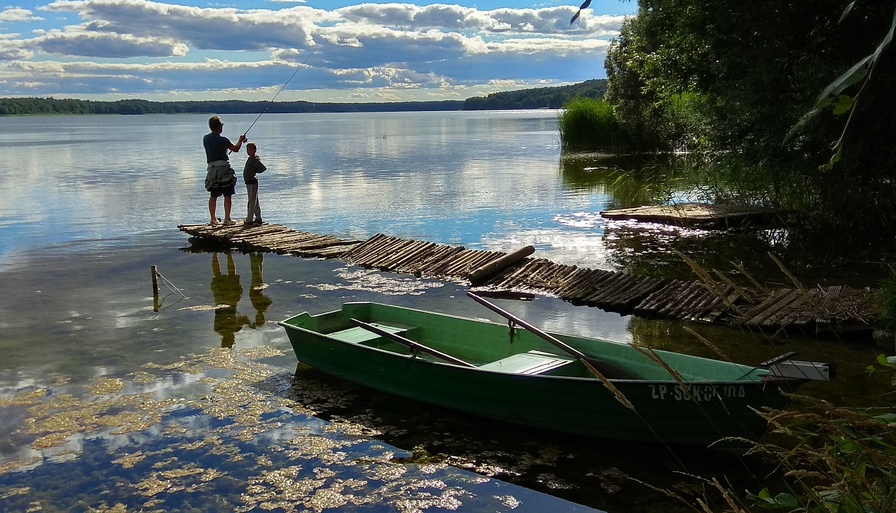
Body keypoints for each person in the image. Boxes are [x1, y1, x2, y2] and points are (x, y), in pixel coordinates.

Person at [203, 116, 246, 226]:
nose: (222, 126)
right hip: (224, 169)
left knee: (213, 195)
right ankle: (227, 219)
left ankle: (213, 219)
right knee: (227, 194)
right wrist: (240, 140)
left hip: (212, 169)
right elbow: (235, 149)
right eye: (221, 124)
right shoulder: (223, 140)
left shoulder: (205, 139)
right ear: (218, 126)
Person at [243, 142, 267, 225]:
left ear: (254, 150)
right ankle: (258, 218)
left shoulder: (255, 160)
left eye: (250, 150)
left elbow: (263, 168)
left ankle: (249, 219)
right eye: (247, 150)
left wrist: (255, 171)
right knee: (255, 201)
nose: (248, 151)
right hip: (249, 182)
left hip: (252, 182)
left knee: (252, 201)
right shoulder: (250, 158)